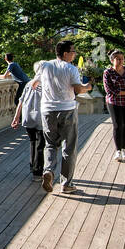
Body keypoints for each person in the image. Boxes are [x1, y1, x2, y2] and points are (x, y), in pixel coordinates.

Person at [38, 41, 93, 194]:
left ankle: (48, 170)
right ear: (65, 53)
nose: (74, 54)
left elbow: (35, 83)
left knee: (50, 144)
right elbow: (77, 89)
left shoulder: (45, 65)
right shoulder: (70, 68)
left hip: (47, 110)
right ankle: (66, 184)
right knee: (68, 147)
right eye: (73, 51)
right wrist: (87, 87)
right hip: (66, 109)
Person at [12, 60, 47, 180]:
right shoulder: (46, 84)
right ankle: (38, 171)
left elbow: (21, 101)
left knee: (33, 142)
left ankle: (33, 166)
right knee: (41, 145)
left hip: (28, 116)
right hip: (40, 117)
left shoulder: (28, 83)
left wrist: (16, 118)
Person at [102, 50, 125, 162]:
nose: (120, 61)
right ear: (112, 60)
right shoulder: (108, 72)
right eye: (118, 58)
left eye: (122, 58)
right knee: (118, 125)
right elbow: (109, 90)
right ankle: (118, 150)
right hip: (114, 102)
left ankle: (123, 149)